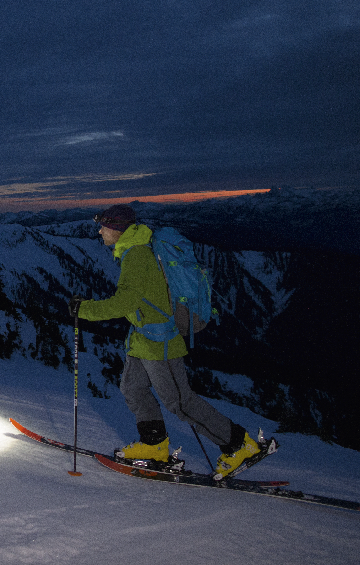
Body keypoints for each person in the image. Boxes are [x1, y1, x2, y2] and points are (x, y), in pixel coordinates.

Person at [69, 203, 259, 478]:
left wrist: (83, 309)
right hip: (143, 339)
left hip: (160, 342)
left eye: (104, 227)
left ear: (118, 230)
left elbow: (124, 302)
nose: (100, 232)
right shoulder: (132, 251)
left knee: (180, 402)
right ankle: (155, 446)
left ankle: (241, 444)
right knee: (133, 389)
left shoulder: (137, 256)